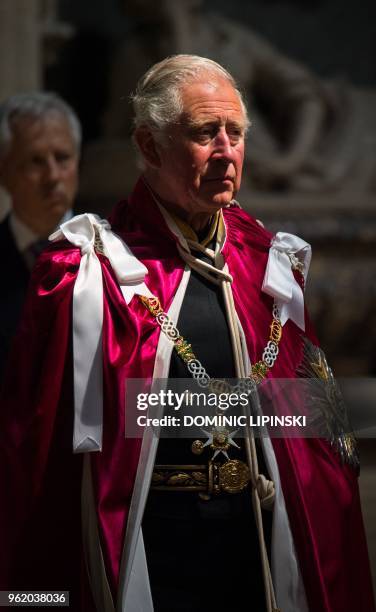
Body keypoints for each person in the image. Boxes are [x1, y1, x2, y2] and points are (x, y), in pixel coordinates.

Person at [0, 56, 374, 612]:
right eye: (204, 133)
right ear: (149, 147)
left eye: (236, 133)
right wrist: (32, 599)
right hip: (154, 557)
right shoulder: (87, 274)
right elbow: (39, 456)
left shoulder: (269, 265)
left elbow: (318, 430)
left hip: (260, 552)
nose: (226, 150)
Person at [0, 92, 81, 380]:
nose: (52, 176)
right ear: (4, 171)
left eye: (62, 158)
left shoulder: (117, 255)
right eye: (35, 161)